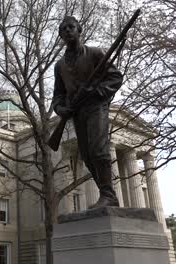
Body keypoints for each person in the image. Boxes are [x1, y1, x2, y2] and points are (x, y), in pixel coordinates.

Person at [52, 16, 123, 208]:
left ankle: (108, 194)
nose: (68, 30)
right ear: (61, 35)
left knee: (99, 150)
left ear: (79, 29)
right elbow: (57, 96)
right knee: (86, 155)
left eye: (71, 27)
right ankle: (107, 193)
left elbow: (115, 78)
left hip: (96, 107)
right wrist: (61, 109)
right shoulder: (59, 66)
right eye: (64, 29)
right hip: (77, 113)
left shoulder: (95, 53)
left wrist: (97, 92)